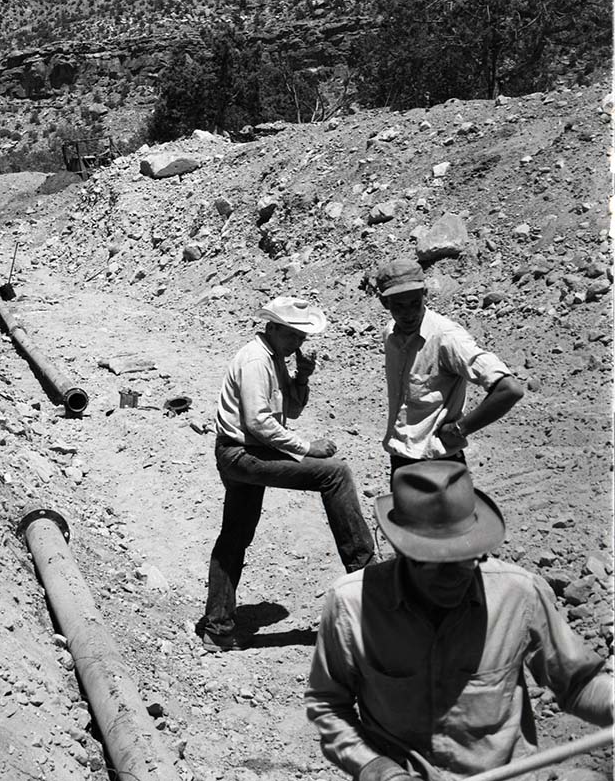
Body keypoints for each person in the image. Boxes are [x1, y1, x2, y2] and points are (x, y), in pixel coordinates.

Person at [306, 460, 613, 780]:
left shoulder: (518, 594)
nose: (454, 575)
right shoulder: (352, 604)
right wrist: (377, 769)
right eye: (436, 561)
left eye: (466, 558)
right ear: (403, 550)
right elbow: (329, 706)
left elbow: (578, 683)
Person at [196, 297, 375, 652]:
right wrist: (307, 448)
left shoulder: (274, 358)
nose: (298, 343)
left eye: (301, 337)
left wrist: (302, 377)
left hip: (246, 452)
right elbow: (258, 421)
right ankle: (369, 578)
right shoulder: (256, 360)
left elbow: (290, 410)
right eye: (292, 335)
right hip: (242, 453)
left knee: (235, 534)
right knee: (335, 474)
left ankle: (218, 627)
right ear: (272, 328)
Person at [375, 258, 523, 472]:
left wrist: (460, 429)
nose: (408, 313)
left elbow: (509, 389)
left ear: (425, 294)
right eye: (399, 306)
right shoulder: (390, 334)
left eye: (414, 303)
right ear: (384, 303)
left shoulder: (446, 337)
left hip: (440, 464)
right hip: (401, 459)